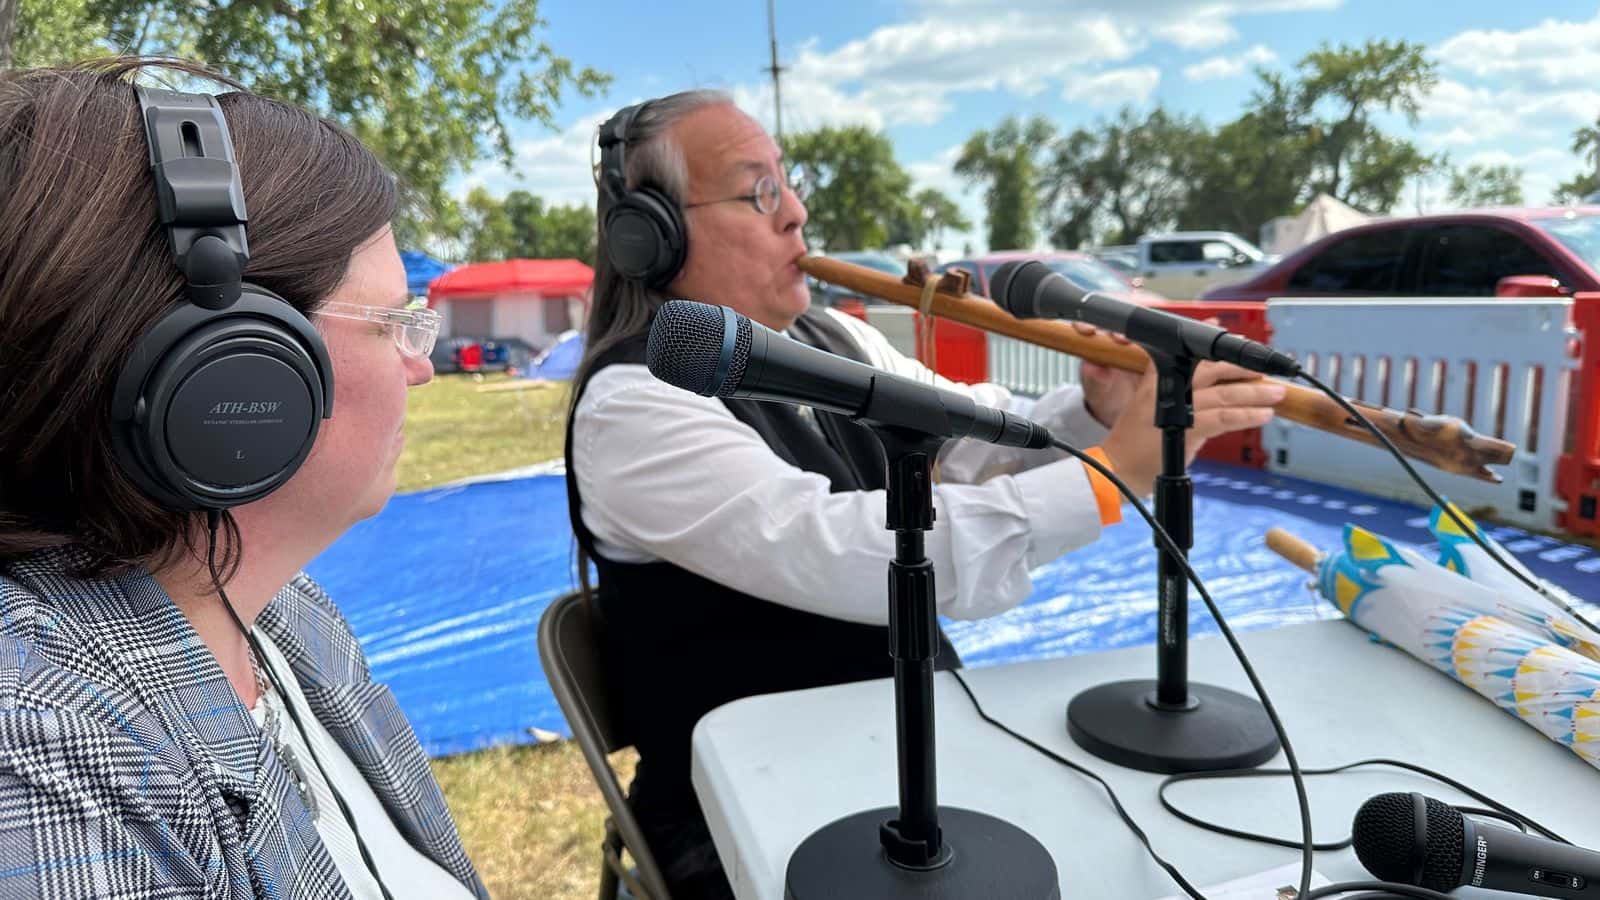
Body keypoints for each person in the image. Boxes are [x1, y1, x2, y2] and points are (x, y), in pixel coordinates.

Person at [563, 90, 1286, 900]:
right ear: (650, 237)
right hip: (751, 813)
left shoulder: (833, 339)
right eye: (758, 190)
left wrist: (1093, 411)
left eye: (788, 182)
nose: (797, 213)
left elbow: (968, 431)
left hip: (906, 756)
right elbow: (854, 553)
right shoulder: (633, 406)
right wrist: (1112, 471)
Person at [0, 59, 484, 899]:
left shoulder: (287, 611)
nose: (422, 368)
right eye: (396, 323)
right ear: (228, 373)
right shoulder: (41, 750)